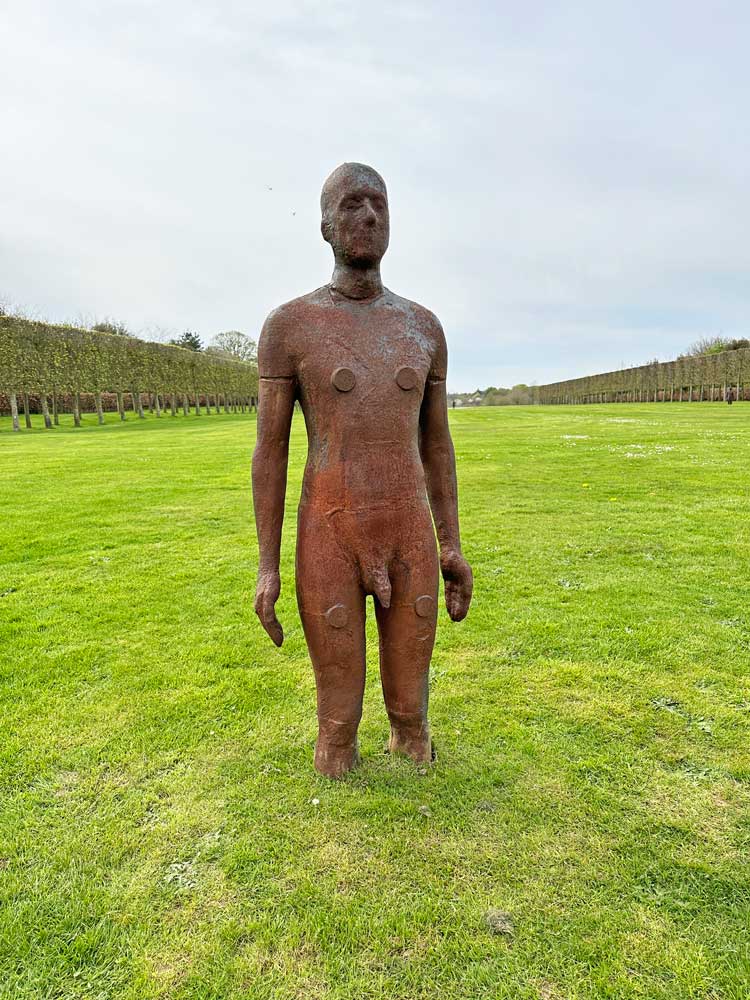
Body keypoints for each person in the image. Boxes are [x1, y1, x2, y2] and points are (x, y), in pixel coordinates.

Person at [252, 163, 473, 778]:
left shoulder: (423, 328)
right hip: (330, 530)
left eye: (379, 205)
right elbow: (270, 452)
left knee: (411, 710)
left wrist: (450, 545)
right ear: (324, 225)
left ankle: (411, 742)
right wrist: (268, 566)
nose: (368, 217)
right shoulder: (291, 328)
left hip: (408, 531)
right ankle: (339, 752)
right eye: (351, 205)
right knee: (337, 728)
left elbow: (438, 446)